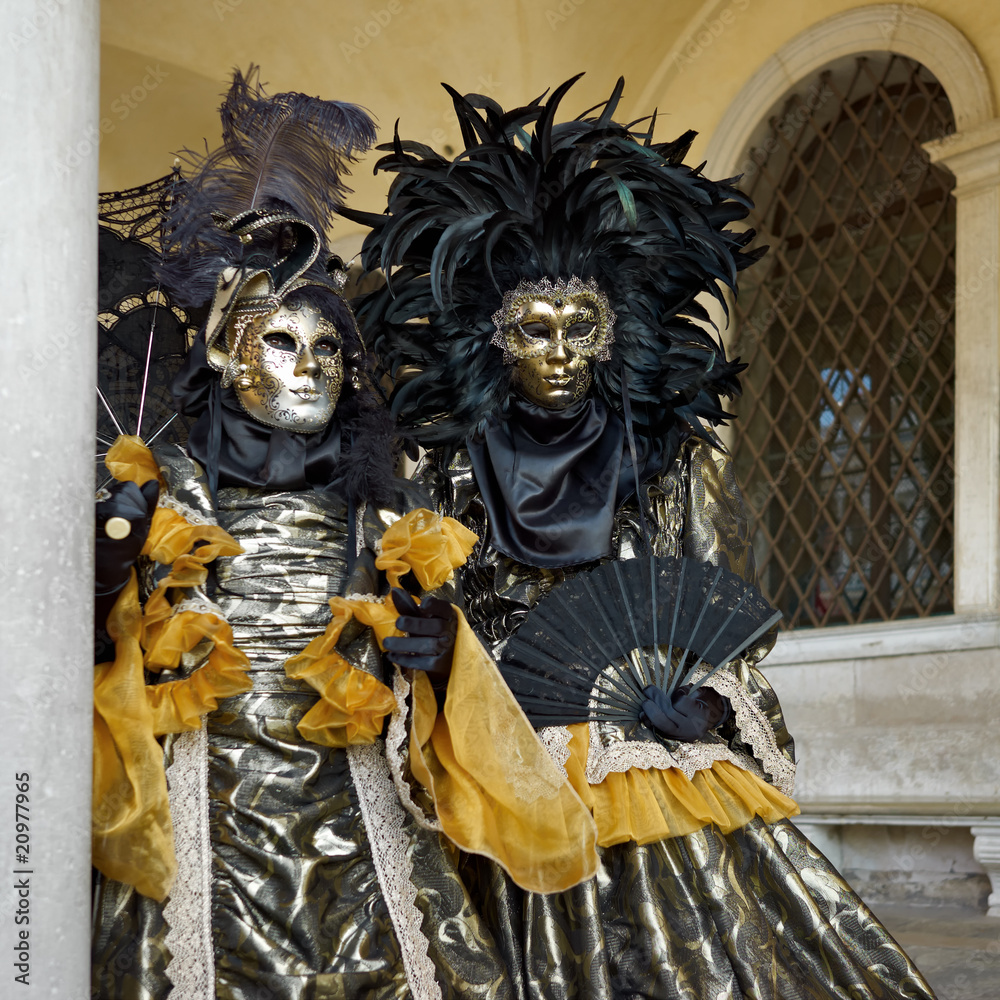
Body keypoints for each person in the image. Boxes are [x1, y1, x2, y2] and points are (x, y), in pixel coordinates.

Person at [346, 77, 939, 998]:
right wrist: (430, 658)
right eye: (532, 329)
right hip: (505, 768)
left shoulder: (665, 466)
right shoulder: (447, 472)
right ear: (491, 339)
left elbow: (713, 613)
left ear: (615, 333)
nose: (559, 352)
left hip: (653, 766)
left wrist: (707, 704)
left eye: (581, 327)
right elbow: (424, 615)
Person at [90, 69, 596, 1000]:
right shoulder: (163, 497)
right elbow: (93, 675)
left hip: (356, 810)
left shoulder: (388, 516)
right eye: (283, 342)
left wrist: (438, 654)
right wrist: (107, 582)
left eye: (331, 349)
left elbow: (436, 690)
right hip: (204, 807)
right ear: (227, 354)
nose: (312, 368)